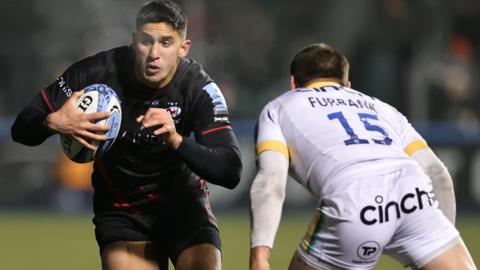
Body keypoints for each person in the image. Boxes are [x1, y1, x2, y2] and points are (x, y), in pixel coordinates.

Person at [11, 0, 242, 269]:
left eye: (166, 43)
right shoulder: (95, 73)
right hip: (124, 212)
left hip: (184, 206)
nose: (154, 53)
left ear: (183, 48)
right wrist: (53, 121)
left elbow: (230, 170)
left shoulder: (199, 88)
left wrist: (176, 141)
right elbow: (22, 127)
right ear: (135, 41)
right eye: (146, 41)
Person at [249, 43, 476, 270]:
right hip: (413, 192)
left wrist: (260, 256)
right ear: (347, 85)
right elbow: (439, 174)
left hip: (354, 194)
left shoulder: (278, 108)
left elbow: (271, 181)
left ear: (293, 84)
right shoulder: (382, 108)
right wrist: (437, 235)